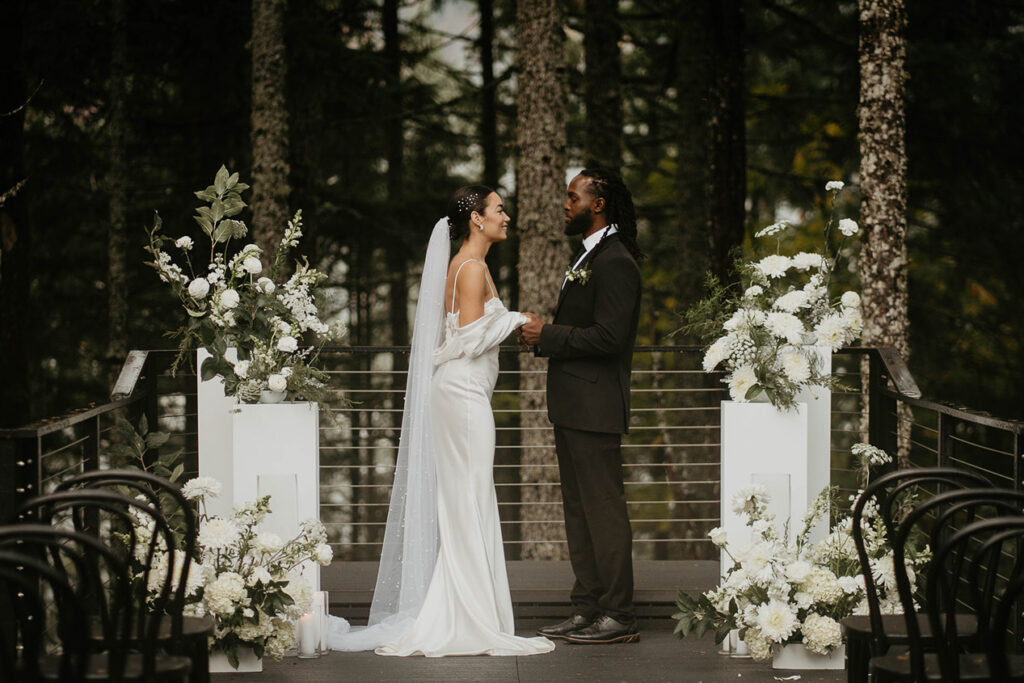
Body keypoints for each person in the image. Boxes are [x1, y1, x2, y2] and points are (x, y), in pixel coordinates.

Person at [330, 185, 554, 657]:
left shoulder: (470, 266)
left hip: (462, 392)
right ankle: (471, 619)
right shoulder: (470, 269)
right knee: (469, 500)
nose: (505, 216)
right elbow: (472, 338)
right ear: (476, 218)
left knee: (467, 500)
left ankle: (469, 612)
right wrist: (517, 319)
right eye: (498, 209)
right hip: (463, 394)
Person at [519, 168, 643, 645]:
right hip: (573, 403)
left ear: (599, 204)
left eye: (573, 196)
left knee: (604, 511)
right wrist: (541, 330)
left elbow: (611, 338)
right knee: (578, 510)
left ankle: (619, 615)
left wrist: (547, 334)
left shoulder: (615, 261)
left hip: (596, 405)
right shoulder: (589, 254)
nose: (565, 203)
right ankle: (587, 606)